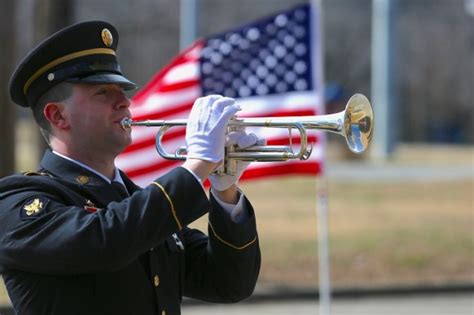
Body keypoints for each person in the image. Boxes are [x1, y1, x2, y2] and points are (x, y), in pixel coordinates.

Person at [0, 21, 261, 315]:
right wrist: (196, 167)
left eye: (122, 90)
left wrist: (226, 190)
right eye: (103, 92)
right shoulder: (17, 204)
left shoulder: (137, 203)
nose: (124, 102)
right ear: (58, 115)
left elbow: (228, 283)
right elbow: (104, 241)